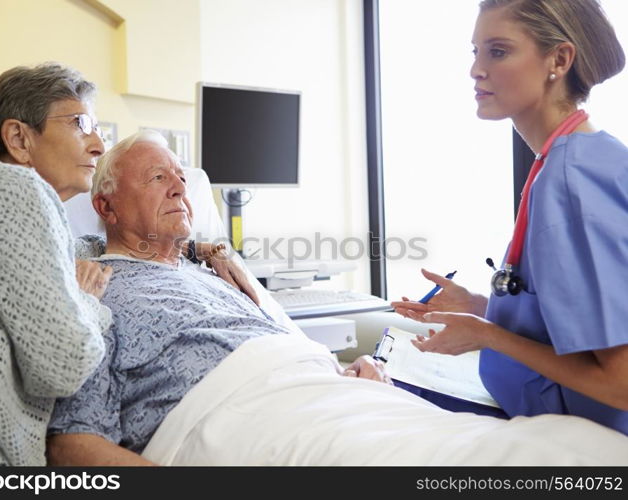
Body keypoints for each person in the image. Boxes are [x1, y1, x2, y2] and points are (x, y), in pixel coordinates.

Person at [46, 132, 628, 466]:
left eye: (180, 175)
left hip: (333, 394)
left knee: (571, 450)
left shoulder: (216, 272)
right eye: (156, 179)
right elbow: (74, 444)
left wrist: (347, 368)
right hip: (236, 419)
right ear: (106, 207)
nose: (178, 187)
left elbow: (282, 347)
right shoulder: (95, 286)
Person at [0, 63, 254, 466]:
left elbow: (95, 248)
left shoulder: (6, 210)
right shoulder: (11, 186)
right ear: (18, 138)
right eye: (81, 124)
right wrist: (85, 302)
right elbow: (62, 367)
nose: (98, 144)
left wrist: (198, 250)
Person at [391, 0, 628, 435]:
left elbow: (622, 383)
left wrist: (487, 334)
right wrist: (484, 308)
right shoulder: (574, 160)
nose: (476, 70)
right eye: (475, 52)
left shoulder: (574, 181)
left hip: (593, 436)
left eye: (497, 52)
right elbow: (582, 322)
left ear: (559, 59)